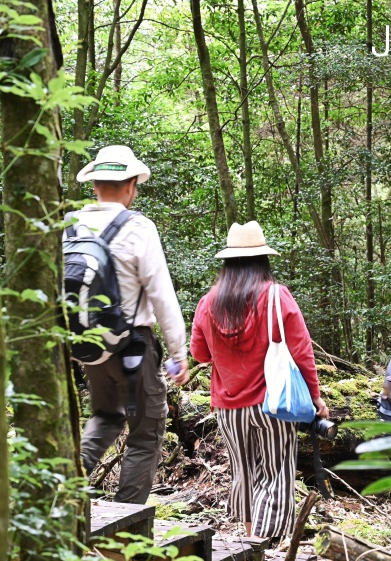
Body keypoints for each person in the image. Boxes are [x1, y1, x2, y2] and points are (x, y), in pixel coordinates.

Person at [190, 221, 329, 539]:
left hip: (228, 407)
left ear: (227, 262)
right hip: (273, 403)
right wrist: (315, 397)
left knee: (245, 473)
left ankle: (248, 542)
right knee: (275, 473)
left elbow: (199, 354)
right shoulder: (276, 297)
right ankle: (262, 547)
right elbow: (302, 351)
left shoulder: (208, 302)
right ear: (263, 259)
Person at [70, 145, 190, 504]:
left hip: (89, 347)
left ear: (95, 185)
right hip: (134, 348)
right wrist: (178, 353)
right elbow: (161, 293)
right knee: (146, 432)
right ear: (130, 185)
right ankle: (127, 528)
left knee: (105, 416)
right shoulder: (138, 227)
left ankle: (60, 497)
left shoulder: (70, 225)